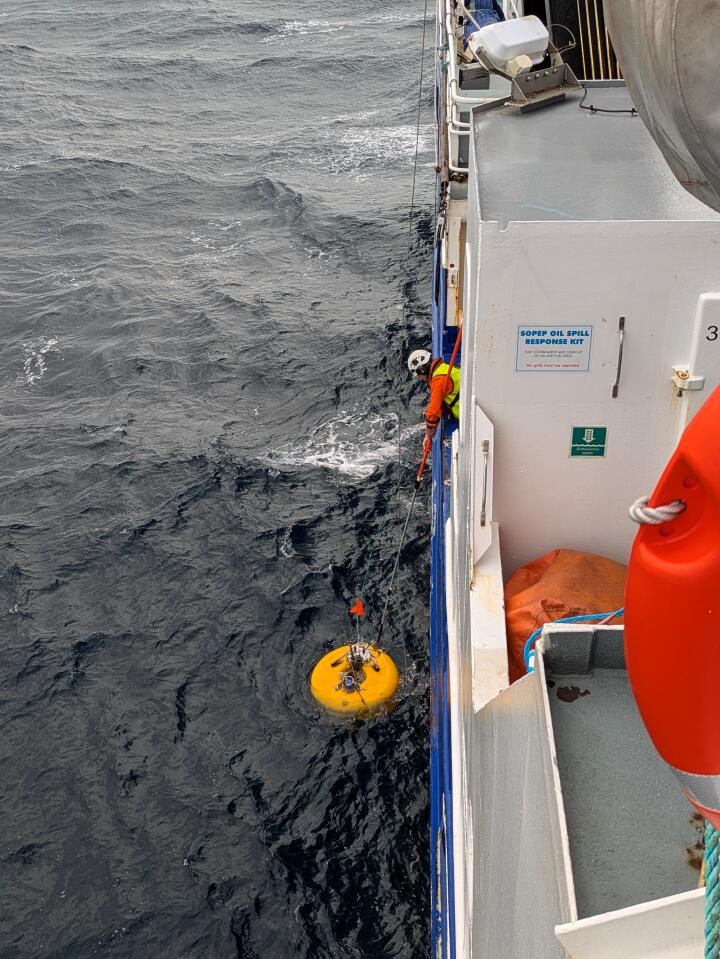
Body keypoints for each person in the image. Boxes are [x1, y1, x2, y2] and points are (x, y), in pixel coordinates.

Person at [407, 349, 460, 451]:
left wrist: (429, 434)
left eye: (418, 375)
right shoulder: (442, 368)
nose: (420, 379)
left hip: (469, 413)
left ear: (422, 369)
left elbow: (433, 413)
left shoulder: (438, 380)